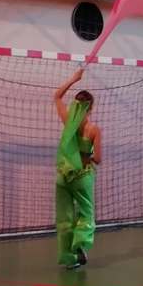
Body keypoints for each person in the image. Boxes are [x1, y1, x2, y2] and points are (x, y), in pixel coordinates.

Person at [54, 68, 102, 269]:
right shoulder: (93, 130)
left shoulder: (67, 122)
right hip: (82, 177)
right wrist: (86, 156)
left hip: (63, 176)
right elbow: (97, 159)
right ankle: (79, 243)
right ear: (91, 108)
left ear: (75, 105)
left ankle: (70, 259)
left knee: (64, 217)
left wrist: (74, 78)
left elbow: (57, 96)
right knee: (86, 213)